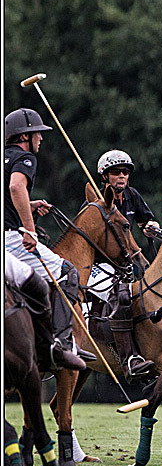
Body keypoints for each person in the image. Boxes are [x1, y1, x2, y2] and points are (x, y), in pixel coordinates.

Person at [4, 108, 86, 371]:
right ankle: (61, 346)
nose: (41, 138)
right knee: (68, 274)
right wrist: (30, 229)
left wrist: (30, 204)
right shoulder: (25, 158)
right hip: (12, 241)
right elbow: (15, 187)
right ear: (25, 136)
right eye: (38, 133)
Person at [87, 149, 161, 380]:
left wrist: (151, 226)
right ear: (104, 177)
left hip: (125, 264)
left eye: (125, 172)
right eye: (116, 172)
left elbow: (146, 219)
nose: (122, 176)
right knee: (121, 296)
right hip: (99, 263)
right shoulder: (96, 202)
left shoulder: (132, 195)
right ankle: (129, 357)